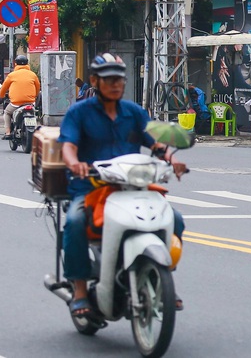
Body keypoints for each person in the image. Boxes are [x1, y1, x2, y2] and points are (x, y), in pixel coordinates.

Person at [58, 53, 188, 318]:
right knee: (74, 221)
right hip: (92, 186)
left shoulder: (134, 112)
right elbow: (68, 146)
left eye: (119, 79)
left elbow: (156, 143)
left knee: (174, 219)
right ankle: (80, 290)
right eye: (109, 79)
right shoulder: (78, 112)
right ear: (95, 81)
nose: (116, 84)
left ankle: (163, 278)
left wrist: (172, 160)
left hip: (131, 186)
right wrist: (74, 164)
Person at [0, 54, 40, 140]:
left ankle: (8, 132)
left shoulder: (12, 75)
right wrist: (35, 96)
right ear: (27, 63)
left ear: (15, 64)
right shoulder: (32, 75)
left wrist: (1, 95)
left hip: (16, 103)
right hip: (30, 102)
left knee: (7, 112)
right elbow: (37, 87)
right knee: (34, 114)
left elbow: (4, 88)